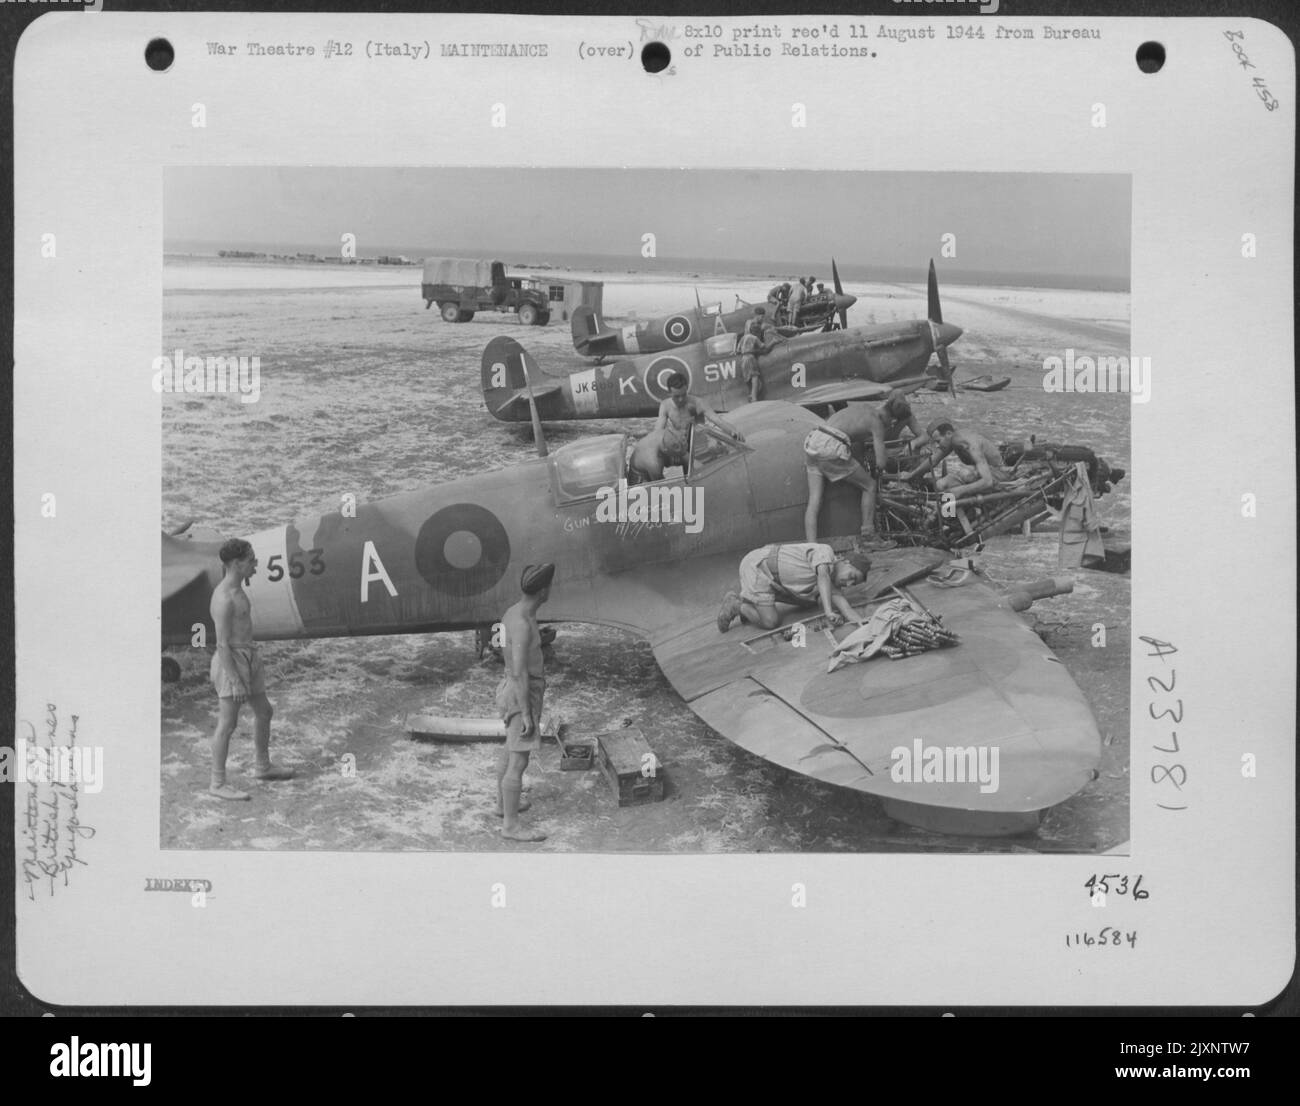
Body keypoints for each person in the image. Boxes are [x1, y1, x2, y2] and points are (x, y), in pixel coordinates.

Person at [207, 538, 294, 801]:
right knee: (228, 723)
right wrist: (234, 680)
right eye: (251, 560)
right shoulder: (224, 598)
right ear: (236, 564)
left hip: (248, 656)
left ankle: (262, 766)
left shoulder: (239, 588)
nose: (256, 564)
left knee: (265, 711)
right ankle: (217, 783)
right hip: (230, 661)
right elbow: (222, 644)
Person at [495, 563, 555, 842]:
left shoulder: (515, 611)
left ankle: (502, 804)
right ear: (543, 590)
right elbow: (519, 672)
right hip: (521, 691)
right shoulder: (521, 623)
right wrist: (528, 715)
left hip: (514, 686)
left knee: (510, 749)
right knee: (519, 760)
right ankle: (511, 826)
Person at [802, 403, 898, 549]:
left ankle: (812, 547)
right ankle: (868, 536)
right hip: (830, 445)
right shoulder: (876, 422)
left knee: (814, 500)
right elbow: (881, 463)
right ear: (889, 416)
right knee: (870, 486)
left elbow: (851, 429)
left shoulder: (863, 408)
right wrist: (884, 452)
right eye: (891, 422)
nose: (890, 425)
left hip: (814, 439)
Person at [717, 544, 871, 633]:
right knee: (771, 622)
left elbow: (847, 609)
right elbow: (822, 576)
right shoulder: (825, 552)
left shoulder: (832, 584)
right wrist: (828, 611)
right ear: (845, 561)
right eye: (853, 576)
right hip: (758, 567)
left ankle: (753, 604)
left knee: (814, 600)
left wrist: (868, 629)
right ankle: (738, 605)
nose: (849, 583)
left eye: (853, 584)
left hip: (775, 581)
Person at [629, 372, 743, 482]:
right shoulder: (666, 405)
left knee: (706, 478)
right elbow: (658, 431)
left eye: (684, 395)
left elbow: (716, 419)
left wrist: (733, 430)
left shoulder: (697, 403)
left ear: (687, 389)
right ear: (669, 393)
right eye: (676, 396)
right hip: (680, 447)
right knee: (690, 480)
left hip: (699, 448)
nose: (681, 399)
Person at [897, 419, 1014, 499]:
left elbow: (987, 481)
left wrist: (961, 490)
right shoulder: (953, 440)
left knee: (965, 473)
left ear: (948, 434)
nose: (937, 446)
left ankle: (960, 513)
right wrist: (911, 475)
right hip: (978, 474)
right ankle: (949, 518)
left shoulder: (970, 443)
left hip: (997, 474)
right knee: (940, 485)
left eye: (938, 441)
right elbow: (933, 460)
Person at [740, 316, 774, 403]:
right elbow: (764, 347)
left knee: (751, 380)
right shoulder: (754, 338)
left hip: (743, 359)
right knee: (755, 377)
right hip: (750, 358)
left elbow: (737, 350)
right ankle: (754, 398)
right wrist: (773, 342)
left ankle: (751, 395)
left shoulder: (743, 338)